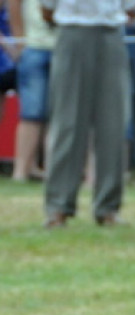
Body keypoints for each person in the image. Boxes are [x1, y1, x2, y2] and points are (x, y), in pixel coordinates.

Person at [39, 0, 135, 228]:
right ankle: (58, 205)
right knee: (68, 123)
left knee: (113, 123)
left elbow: (130, 7)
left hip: (111, 32)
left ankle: (108, 207)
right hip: (72, 31)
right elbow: (46, 8)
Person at [7, 0, 56, 182]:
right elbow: (14, 4)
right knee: (30, 113)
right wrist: (20, 41)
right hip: (34, 46)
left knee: (59, 115)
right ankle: (20, 172)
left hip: (65, 48)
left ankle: (54, 172)